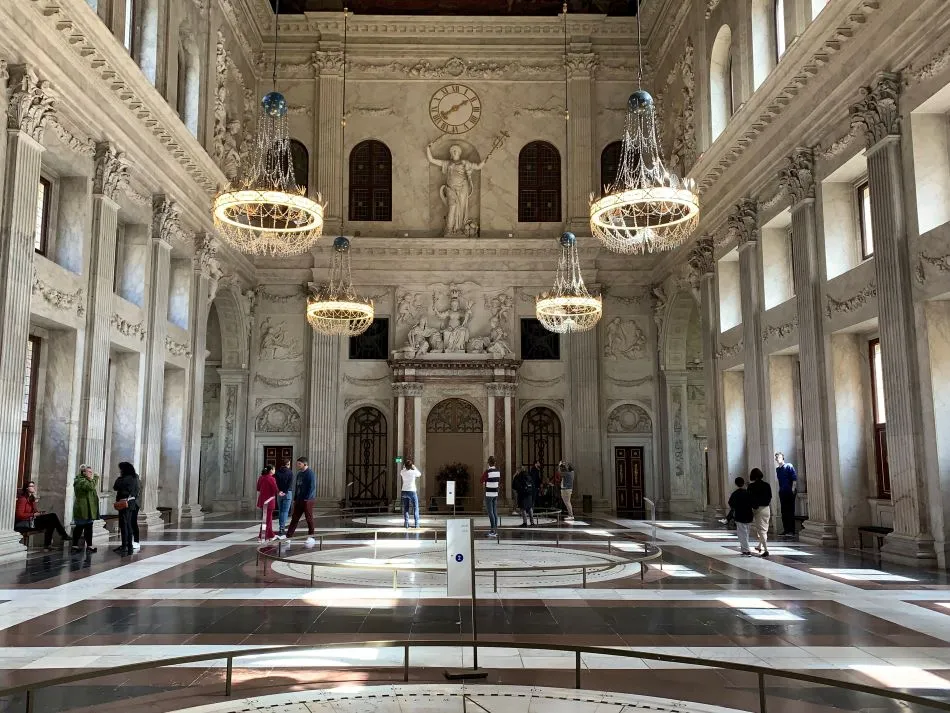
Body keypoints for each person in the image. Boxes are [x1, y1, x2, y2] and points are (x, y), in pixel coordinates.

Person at [14, 481, 68, 551]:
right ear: (27, 488)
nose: (33, 488)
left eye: (33, 486)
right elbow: (19, 515)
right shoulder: (22, 499)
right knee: (52, 516)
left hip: (32, 520)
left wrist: (40, 513)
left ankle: (49, 544)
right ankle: (62, 535)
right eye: (31, 486)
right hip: (25, 522)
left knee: (51, 521)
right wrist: (33, 514)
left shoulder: (31, 498)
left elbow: (34, 511)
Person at [70, 465, 99, 553]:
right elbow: (90, 487)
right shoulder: (80, 480)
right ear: (83, 472)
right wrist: (96, 478)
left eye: (91, 472)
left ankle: (89, 545)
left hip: (89, 508)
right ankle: (74, 545)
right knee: (79, 527)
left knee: (89, 527)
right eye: (89, 472)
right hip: (82, 508)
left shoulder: (87, 480)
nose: (91, 473)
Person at [287, 457, 316, 543]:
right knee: (295, 518)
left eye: (299, 463)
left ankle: (311, 536)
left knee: (309, 518)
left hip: (308, 500)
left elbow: (312, 487)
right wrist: (295, 498)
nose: (297, 465)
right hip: (299, 499)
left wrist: (307, 498)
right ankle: (289, 536)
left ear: (305, 464)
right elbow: (297, 486)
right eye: (297, 463)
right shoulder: (299, 474)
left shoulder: (310, 473)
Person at [113, 462, 140, 556]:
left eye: (121, 469)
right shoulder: (135, 478)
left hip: (124, 503)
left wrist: (119, 477)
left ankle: (124, 546)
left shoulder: (124, 478)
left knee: (124, 525)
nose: (120, 471)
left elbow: (115, 487)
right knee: (128, 524)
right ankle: (129, 546)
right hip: (131, 503)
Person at [725, 477, 754, 556]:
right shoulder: (748, 493)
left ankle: (746, 550)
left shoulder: (735, 494)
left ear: (736, 484)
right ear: (743, 483)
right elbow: (753, 503)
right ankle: (744, 549)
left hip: (740, 515)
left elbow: (731, 503)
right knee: (746, 533)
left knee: (742, 534)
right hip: (749, 515)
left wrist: (736, 508)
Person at [747, 468, 772, 557]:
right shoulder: (767, 485)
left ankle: (766, 550)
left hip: (758, 509)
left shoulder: (751, 486)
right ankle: (759, 546)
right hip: (766, 508)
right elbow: (770, 497)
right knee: (764, 528)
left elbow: (749, 498)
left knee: (761, 530)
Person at [774, 452, 798, 537]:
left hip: (789, 491)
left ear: (783, 458)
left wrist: (792, 489)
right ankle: (786, 529)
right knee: (784, 511)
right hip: (782, 492)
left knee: (790, 511)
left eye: (779, 457)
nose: (777, 459)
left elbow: (794, 478)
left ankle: (791, 530)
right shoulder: (777, 469)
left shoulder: (789, 466)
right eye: (776, 457)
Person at [481, 455, 502, 537]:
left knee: (490, 512)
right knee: (495, 511)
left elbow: (481, 480)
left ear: (488, 463)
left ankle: (492, 531)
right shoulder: (498, 471)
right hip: (495, 493)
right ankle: (495, 530)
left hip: (489, 494)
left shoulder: (487, 472)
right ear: (495, 462)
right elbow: (498, 481)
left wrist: (485, 482)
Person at [256, 466, 278, 541]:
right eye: (274, 469)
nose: (275, 470)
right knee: (267, 520)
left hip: (262, 501)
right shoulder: (271, 478)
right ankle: (262, 536)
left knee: (268, 518)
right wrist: (280, 492)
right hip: (269, 501)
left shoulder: (261, 477)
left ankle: (270, 535)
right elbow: (275, 489)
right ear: (271, 470)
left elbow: (258, 488)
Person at [274, 459, 294, 539]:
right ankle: (282, 528)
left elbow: (275, 483)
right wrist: (285, 492)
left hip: (279, 493)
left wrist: (279, 491)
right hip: (287, 493)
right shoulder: (290, 472)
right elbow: (289, 484)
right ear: (288, 464)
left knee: (281, 511)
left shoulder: (277, 472)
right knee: (285, 511)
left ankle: (281, 527)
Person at [399, 458, 422, 529]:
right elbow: (419, 474)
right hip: (412, 491)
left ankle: (406, 524)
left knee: (406, 508)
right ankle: (416, 524)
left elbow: (403, 469)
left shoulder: (402, 472)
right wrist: (414, 467)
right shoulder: (413, 472)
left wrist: (404, 466)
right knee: (416, 507)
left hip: (404, 491)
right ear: (411, 466)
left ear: (405, 466)